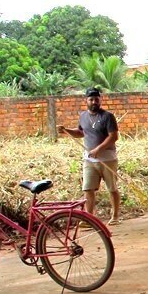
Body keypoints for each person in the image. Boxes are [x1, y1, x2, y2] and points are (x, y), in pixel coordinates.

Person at [59, 87, 120, 224]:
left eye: (96, 99)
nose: (94, 102)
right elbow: (81, 133)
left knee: (112, 188)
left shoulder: (108, 116)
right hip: (89, 159)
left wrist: (98, 149)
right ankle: (89, 219)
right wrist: (65, 130)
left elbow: (113, 136)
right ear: (86, 101)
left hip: (108, 159)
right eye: (91, 99)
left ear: (100, 100)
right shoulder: (83, 116)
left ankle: (115, 216)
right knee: (88, 188)